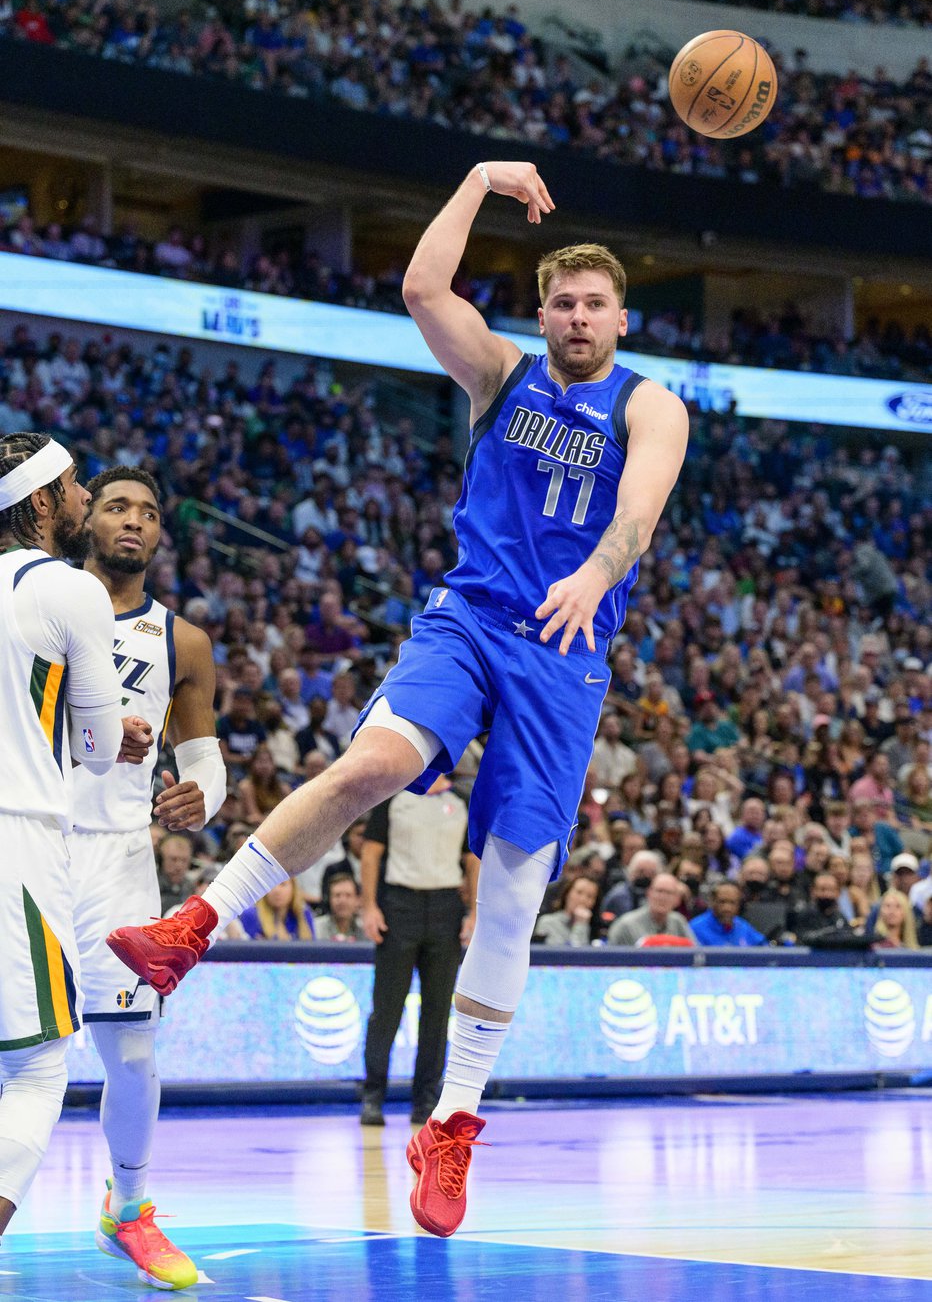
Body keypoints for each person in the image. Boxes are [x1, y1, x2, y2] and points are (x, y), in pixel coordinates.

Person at [108, 159, 688, 1237]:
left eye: (591, 303)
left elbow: (640, 512)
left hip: (564, 649)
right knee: (372, 764)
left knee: (514, 884)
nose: (573, 315)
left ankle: (452, 1120)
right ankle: (194, 925)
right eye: (559, 300)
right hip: (469, 616)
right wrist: (473, 180)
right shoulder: (501, 375)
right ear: (542, 312)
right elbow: (423, 290)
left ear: (619, 316)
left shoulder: (650, 404)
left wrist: (595, 573)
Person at [67, 467, 222, 1290]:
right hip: (27, 840)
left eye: (150, 513)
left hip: (121, 855)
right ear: (82, 514)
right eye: (118, 505)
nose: (135, 521)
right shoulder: (34, 603)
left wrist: (203, 794)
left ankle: (127, 1210)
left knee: (131, 1051)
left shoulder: (182, 641)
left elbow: (204, 762)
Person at [0, 434, 150, 1241]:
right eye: (73, 484)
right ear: (38, 504)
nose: (87, 494)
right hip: (17, 837)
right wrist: (107, 728)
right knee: (35, 1066)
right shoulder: (68, 590)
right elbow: (95, 747)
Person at [359, 778, 477, 1127]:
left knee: (438, 1011)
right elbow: (371, 852)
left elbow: (472, 860)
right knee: (386, 1009)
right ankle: (373, 1096)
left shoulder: (461, 800)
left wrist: (474, 912)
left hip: (446, 908)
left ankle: (426, 1100)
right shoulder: (393, 797)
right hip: (399, 905)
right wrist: (369, 907)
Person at [606, 872, 696, 946]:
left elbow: (695, 953)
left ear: (677, 899)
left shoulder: (678, 922)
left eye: (669, 893)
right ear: (649, 893)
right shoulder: (625, 925)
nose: (663, 897)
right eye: (659, 891)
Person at [690, 882, 767, 947]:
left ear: (739, 904)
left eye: (732, 903)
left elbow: (765, 949)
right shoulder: (695, 928)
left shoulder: (743, 926)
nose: (727, 908)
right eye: (722, 902)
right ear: (712, 902)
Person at [534, 873, 601, 946]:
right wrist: (580, 924)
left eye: (590, 896)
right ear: (567, 894)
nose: (583, 899)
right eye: (579, 892)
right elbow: (572, 955)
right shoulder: (548, 922)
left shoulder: (594, 928)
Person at [240, 878, 315, 940]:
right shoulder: (250, 915)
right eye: (271, 885)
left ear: (293, 888)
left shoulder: (304, 914)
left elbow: (313, 954)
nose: (276, 890)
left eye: (283, 884)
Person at [313, 874, 368, 942]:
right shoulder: (316, 927)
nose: (342, 901)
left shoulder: (366, 929)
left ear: (357, 900)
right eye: (337, 895)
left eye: (348, 895)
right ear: (329, 899)